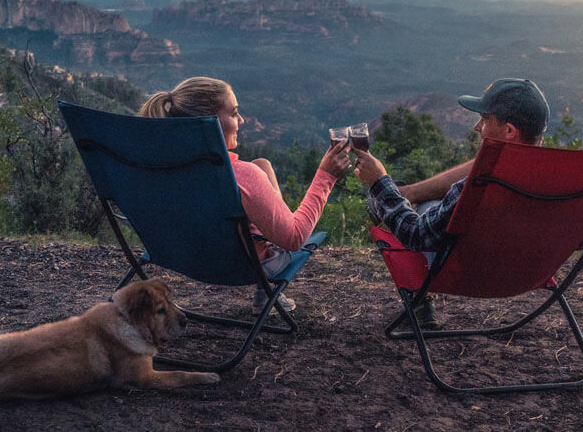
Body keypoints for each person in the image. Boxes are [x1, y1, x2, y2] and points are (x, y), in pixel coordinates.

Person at [138, 77, 351, 314]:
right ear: (210, 122)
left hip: (180, 256)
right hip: (240, 266)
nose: (242, 120)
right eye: (234, 113)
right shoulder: (242, 177)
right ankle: (265, 288)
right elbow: (294, 238)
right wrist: (326, 176)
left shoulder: (156, 167)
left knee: (263, 165)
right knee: (280, 217)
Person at [351, 78, 549, 327]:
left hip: (468, 272)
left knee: (399, 204)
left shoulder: (481, 186)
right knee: (420, 201)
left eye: (485, 119)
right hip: (531, 272)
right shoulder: (563, 180)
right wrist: (408, 193)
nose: (477, 127)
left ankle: (419, 307)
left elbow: (415, 235)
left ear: (509, 131)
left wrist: (380, 182)